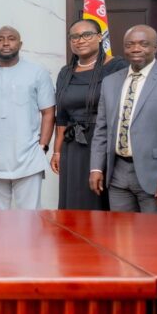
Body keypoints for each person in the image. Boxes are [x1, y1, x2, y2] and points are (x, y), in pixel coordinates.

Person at [90, 25, 157, 214]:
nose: (136, 49)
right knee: (120, 239)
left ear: (155, 47)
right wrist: (96, 168)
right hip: (117, 176)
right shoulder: (110, 81)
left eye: (143, 44)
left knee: (156, 240)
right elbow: (102, 129)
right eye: (130, 44)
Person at [51, 19, 127, 210]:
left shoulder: (118, 67)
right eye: (74, 37)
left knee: (98, 200)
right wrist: (57, 150)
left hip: (102, 141)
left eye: (87, 35)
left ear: (100, 37)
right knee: (74, 200)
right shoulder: (65, 72)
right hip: (73, 144)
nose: (80, 40)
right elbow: (62, 116)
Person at [0, 26, 55, 210]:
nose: (5, 43)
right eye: (0, 39)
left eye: (11, 38)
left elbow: (48, 112)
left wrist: (42, 147)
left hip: (28, 157)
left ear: (20, 44)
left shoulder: (38, 72)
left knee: (29, 219)